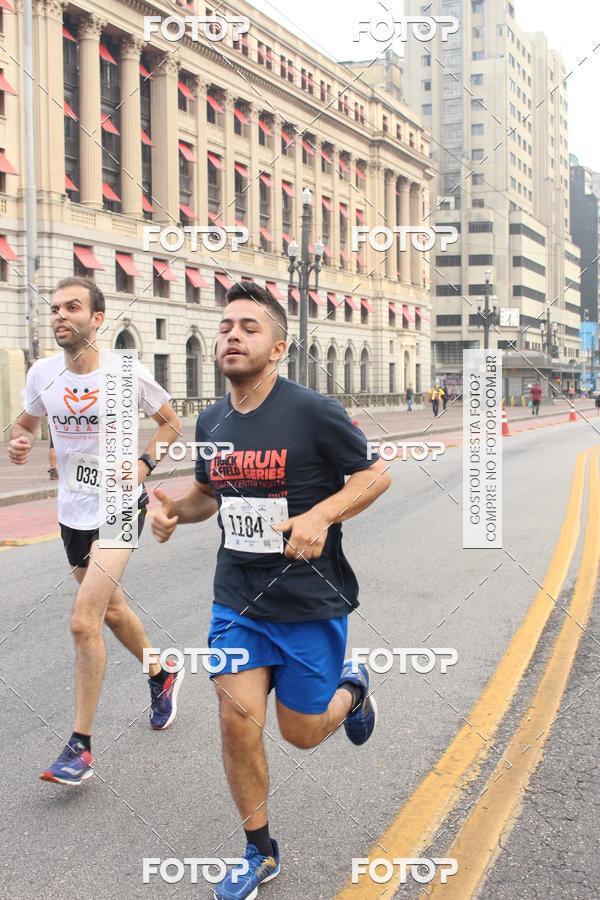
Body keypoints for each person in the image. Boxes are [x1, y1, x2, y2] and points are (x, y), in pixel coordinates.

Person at [151, 281, 391, 900]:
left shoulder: (312, 411)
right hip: (238, 602)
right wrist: (178, 508)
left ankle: (353, 688)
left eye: (249, 327)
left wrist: (321, 517)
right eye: (226, 325)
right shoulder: (213, 419)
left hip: (309, 603)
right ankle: (260, 852)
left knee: (302, 733)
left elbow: (374, 475)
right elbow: (210, 493)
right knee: (235, 722)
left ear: (279, 347)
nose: (232, 334)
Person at [8, 277, 184, 785]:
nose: (60, 315)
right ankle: (161, 672)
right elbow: (25, 423)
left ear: (98, 319)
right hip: (73, 512)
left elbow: (170, 422)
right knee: (111, 608)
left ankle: (79, 748)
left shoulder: (125, 372)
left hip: (119, 507)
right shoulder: (43, 373)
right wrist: (20, 442)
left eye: (72, 307)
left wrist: (145, 464)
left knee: (84, 620)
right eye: (55, 308)